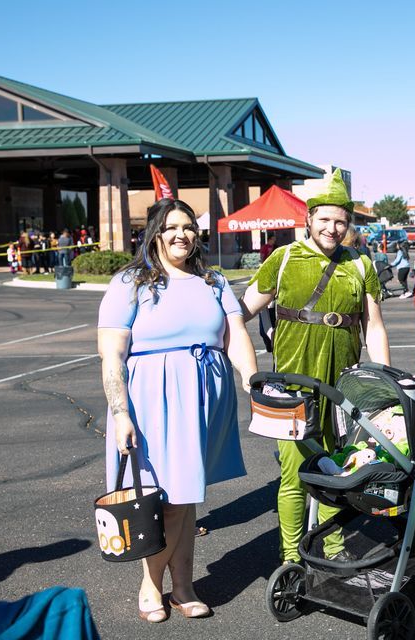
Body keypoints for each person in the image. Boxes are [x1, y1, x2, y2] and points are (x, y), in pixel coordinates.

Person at [98, 198, 257, 622]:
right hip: (151, 399)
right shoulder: (130, 283)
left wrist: (251, 380)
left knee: (186, 499)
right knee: (164, 500)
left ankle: (183, 586)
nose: (181, 234)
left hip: (206, 398)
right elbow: (112, 354)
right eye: (170, 227)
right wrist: (119, 413)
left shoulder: (214, 281)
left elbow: (236, 335)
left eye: (188, 227)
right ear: (154, 233)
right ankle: (152, 585)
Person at [241, 168, 390, 565]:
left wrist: (387, 385)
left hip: (342, 389)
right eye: (324, 218)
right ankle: (291, 556)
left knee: (339, 472)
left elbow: (373, 326)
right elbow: (239, 311)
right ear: (308, 218)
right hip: (291, 390)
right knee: (293, 476)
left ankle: (333, 549)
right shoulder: (284, 258)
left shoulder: (360, 264)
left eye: (340, 220)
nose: (333, 228)